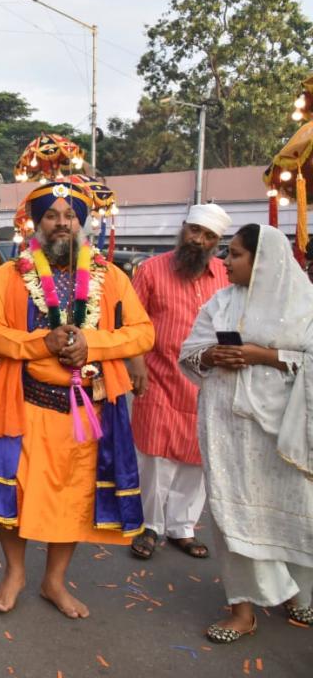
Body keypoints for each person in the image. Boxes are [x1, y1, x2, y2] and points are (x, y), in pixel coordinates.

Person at [0, 181, 154, 619]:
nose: (61, 223)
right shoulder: (10, 275)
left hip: (87, 413)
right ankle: (14, 573)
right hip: (27, 406)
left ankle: (54, 581)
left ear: (81, 223)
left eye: (69, 216)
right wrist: (41, 342)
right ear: (36, 223)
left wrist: (91, 344)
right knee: (15, 496)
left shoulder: (111, 277)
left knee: (72, 500)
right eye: (51, 215)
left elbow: (143, 332)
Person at [179, 224, 313, 643]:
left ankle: (298, 593)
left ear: (263, 259)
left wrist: (264, 356)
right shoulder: (221, 302)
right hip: (226, 427)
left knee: (293, 510)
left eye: (235, 254)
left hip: (283, 434)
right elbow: (189, 354)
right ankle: (243, 612)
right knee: (231, 512)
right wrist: (213, 353)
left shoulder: (304, 304)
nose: (225, 260)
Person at [126, 205, 231, 560]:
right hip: (160, 376)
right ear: (184, 228)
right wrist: (135, 363)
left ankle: (182, 527)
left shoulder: (224, 275)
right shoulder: (152, 269)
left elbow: (232, 322)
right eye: (195, 230)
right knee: (156, 455)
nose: (198, 240)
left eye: (208, 236)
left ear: (218, 242)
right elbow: (132, 321)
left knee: (198, 458)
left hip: (208, 382)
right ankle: (150, 525)